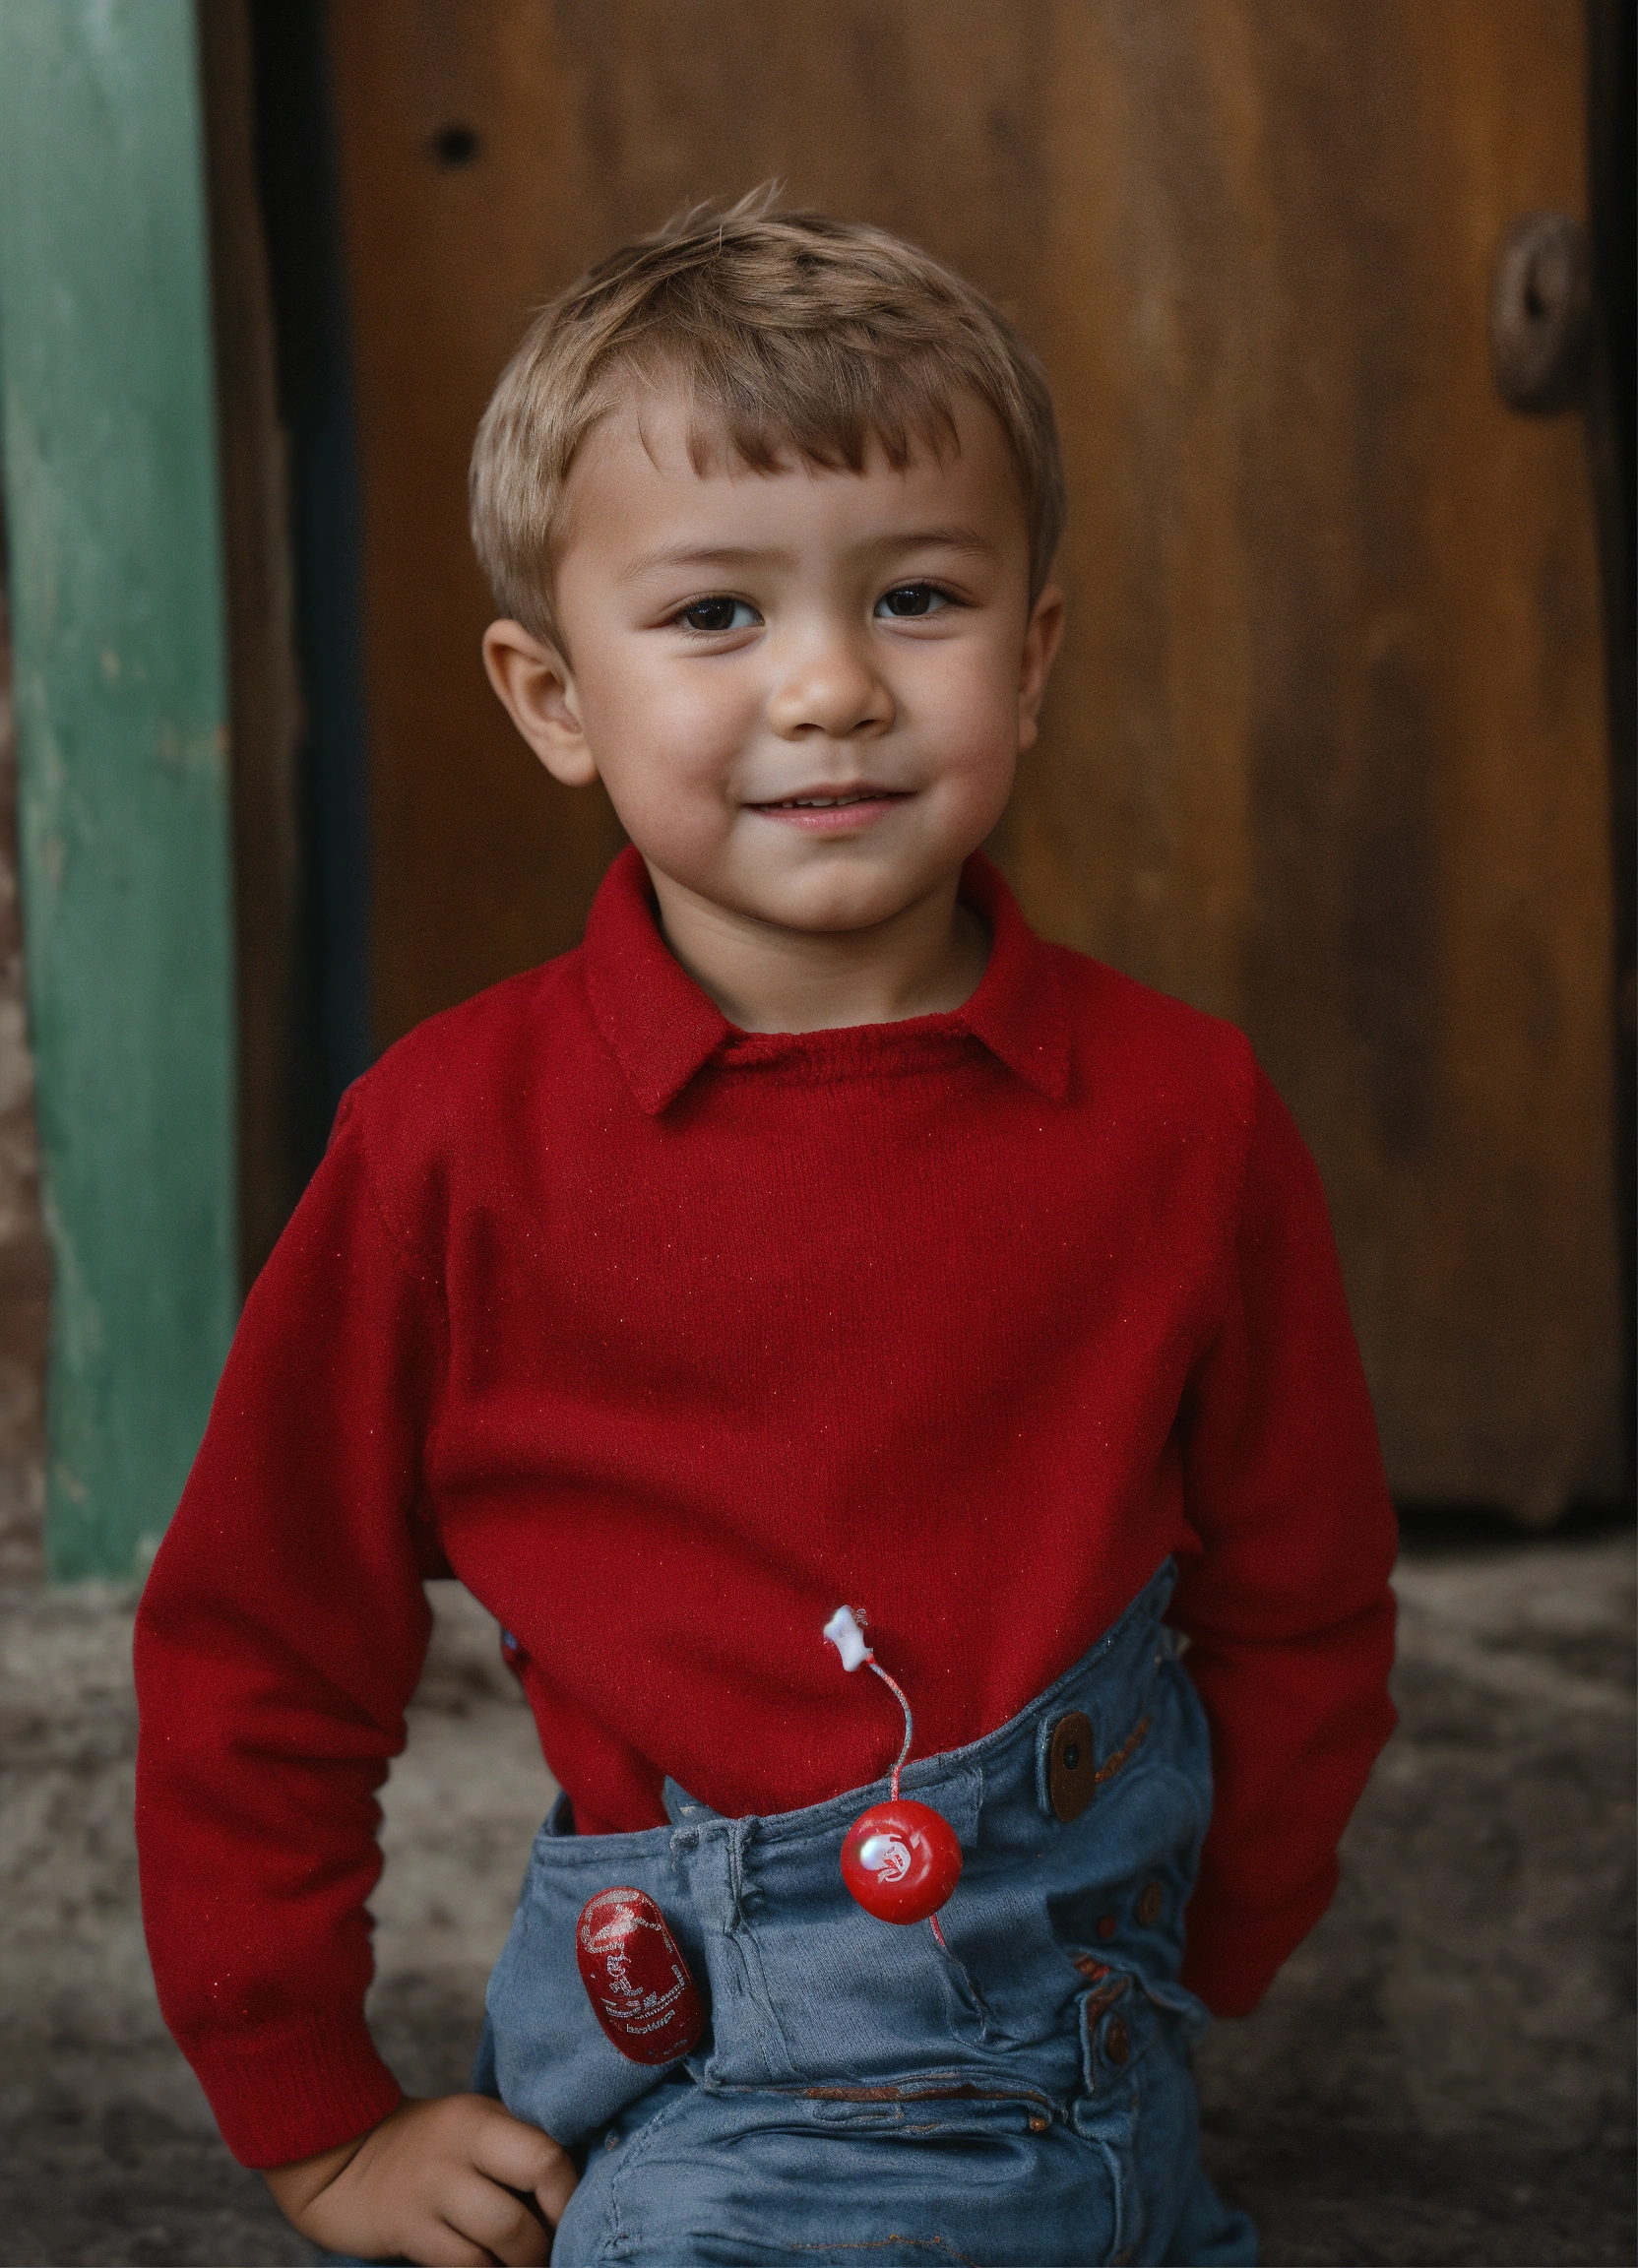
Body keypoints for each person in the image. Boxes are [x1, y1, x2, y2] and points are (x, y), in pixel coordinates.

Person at [134, 191, 1397, 2267]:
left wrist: (1226, 1933)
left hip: (1108, 2032)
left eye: (915, 598)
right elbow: (262, 1646)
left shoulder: (1183, 1114)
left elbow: (1300, 1584)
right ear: (552, 698)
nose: (828, 689)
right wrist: (314, 2116)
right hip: (722, 2069)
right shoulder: (450, 1147)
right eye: (716, 617)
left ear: (1036, 649)